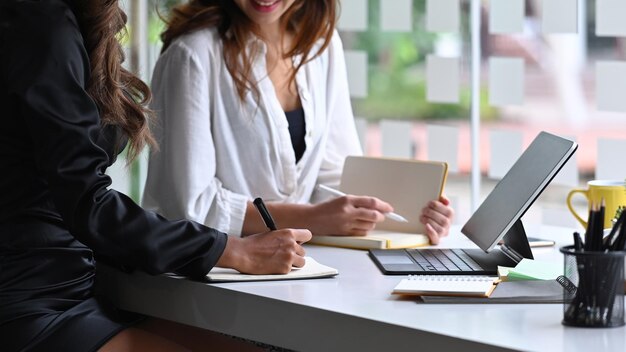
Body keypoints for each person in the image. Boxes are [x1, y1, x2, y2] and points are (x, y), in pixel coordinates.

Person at [0, 0, 311, 351]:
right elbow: (87, 202)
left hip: (75, 285)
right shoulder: (39, 21)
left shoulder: (57, 18)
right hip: (34, 303)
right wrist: (231, 250)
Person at [144, 0, 454, 244]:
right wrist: (312, 218)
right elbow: (191, 206)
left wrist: (414, 215)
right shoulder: (193, 55)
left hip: (298, 263)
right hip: (213, 274)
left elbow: (334, 176)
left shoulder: (321, 44)